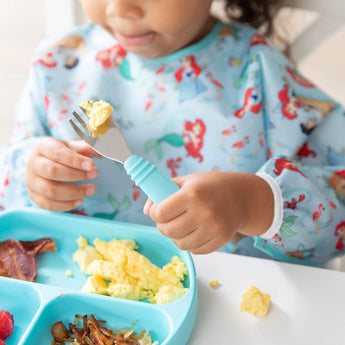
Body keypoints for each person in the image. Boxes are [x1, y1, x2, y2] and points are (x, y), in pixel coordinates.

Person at [0, 0, 344, 267]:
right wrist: (34, 177)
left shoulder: (261, 75)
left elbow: (339, 208)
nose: (119, 8)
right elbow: (9, 192)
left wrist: (251, 203)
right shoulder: (58, 65)